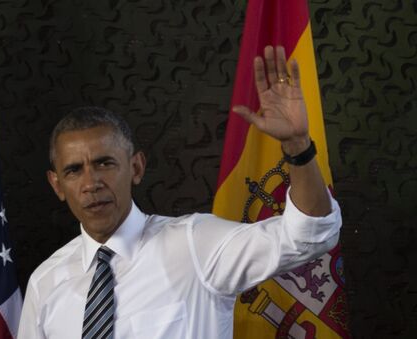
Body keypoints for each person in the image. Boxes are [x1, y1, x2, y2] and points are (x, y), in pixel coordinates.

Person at [17, 45, 342, 339]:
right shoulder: (45, 283)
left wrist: (298, 147)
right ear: (57, 185)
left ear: (137, 168)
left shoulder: (196, 244)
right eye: (74, 170)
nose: (91, 183)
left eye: (104, 163)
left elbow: (310, 235)